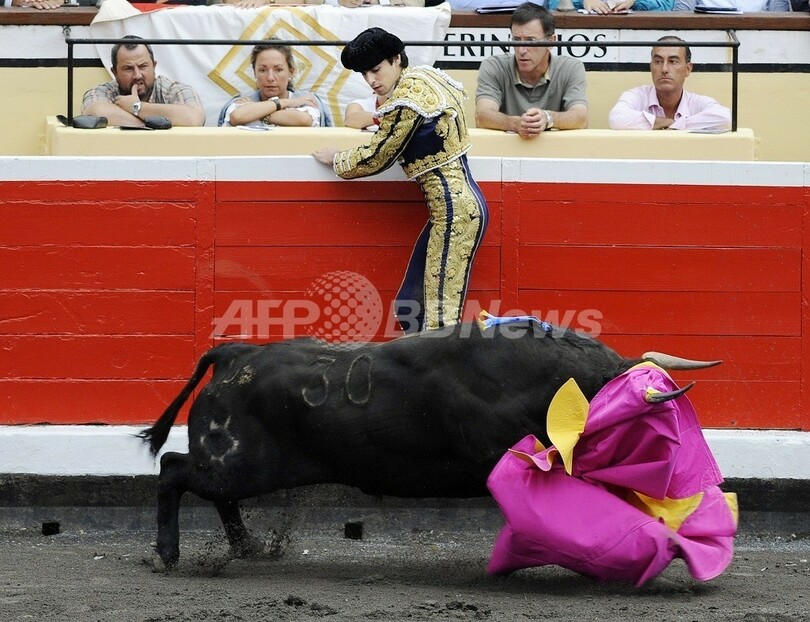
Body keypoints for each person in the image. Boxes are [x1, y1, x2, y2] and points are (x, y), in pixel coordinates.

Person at [312, 28, 488, 334]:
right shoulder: (424, 77)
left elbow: (377, 156)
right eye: (364, 74)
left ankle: (439, 365)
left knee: (439, 320)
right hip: (454, 211)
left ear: (396, 59)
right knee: (411, 304)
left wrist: (337, 159)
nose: (371, 80)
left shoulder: (407, 99)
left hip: (455, 214)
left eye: (376, 69)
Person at [475, 2, 588, 139]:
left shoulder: (571, 68)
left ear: (551, 42)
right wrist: (516, 124)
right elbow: (482, 116)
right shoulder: (494, 66)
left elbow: (581, 117)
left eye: (530, 41)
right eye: (516, 40)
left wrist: (548, 118)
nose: (522, 50)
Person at [608, 36, 731, 132]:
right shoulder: (638, 96)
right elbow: (616, 118)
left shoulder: (696, 102)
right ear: (651, 67)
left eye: (673, 62)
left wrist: (676, 125)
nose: (664, 69)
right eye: (658, 61)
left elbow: (725, 118)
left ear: (688, 69)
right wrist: (660, 122)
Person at [82, 35, 205, 127]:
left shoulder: (175, 90)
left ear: (154, 66)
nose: (137, 75)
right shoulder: (103, 91)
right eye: (128, 68)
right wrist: (152, 126)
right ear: (115, 72)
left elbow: (193, 118)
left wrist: (137, 107)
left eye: (143, 66)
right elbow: (96, 113)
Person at [218, 41, 333, 128]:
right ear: (254, 72)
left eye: (278, 70)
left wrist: (255, 112)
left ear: (291, 72)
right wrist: (286, 103)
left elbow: (303, 120)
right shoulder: (242, 100)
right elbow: (237, 117)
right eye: (263, 70)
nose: (270, 78)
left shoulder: (305, 100)